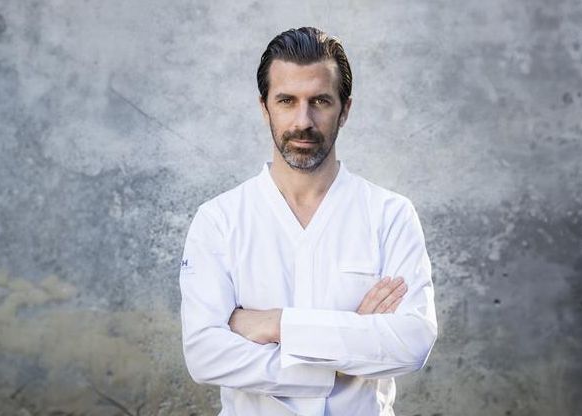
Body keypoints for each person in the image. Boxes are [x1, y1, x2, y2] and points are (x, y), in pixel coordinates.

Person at [179, 26, 437, 416]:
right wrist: (346, 348)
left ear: (345, 110)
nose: (303, 120)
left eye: (320, 101)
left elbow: (412, 343)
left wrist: (276, 325)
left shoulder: (390, 215)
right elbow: (204, 355)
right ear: (265, 107)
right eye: (287, 101)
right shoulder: (219, 220)